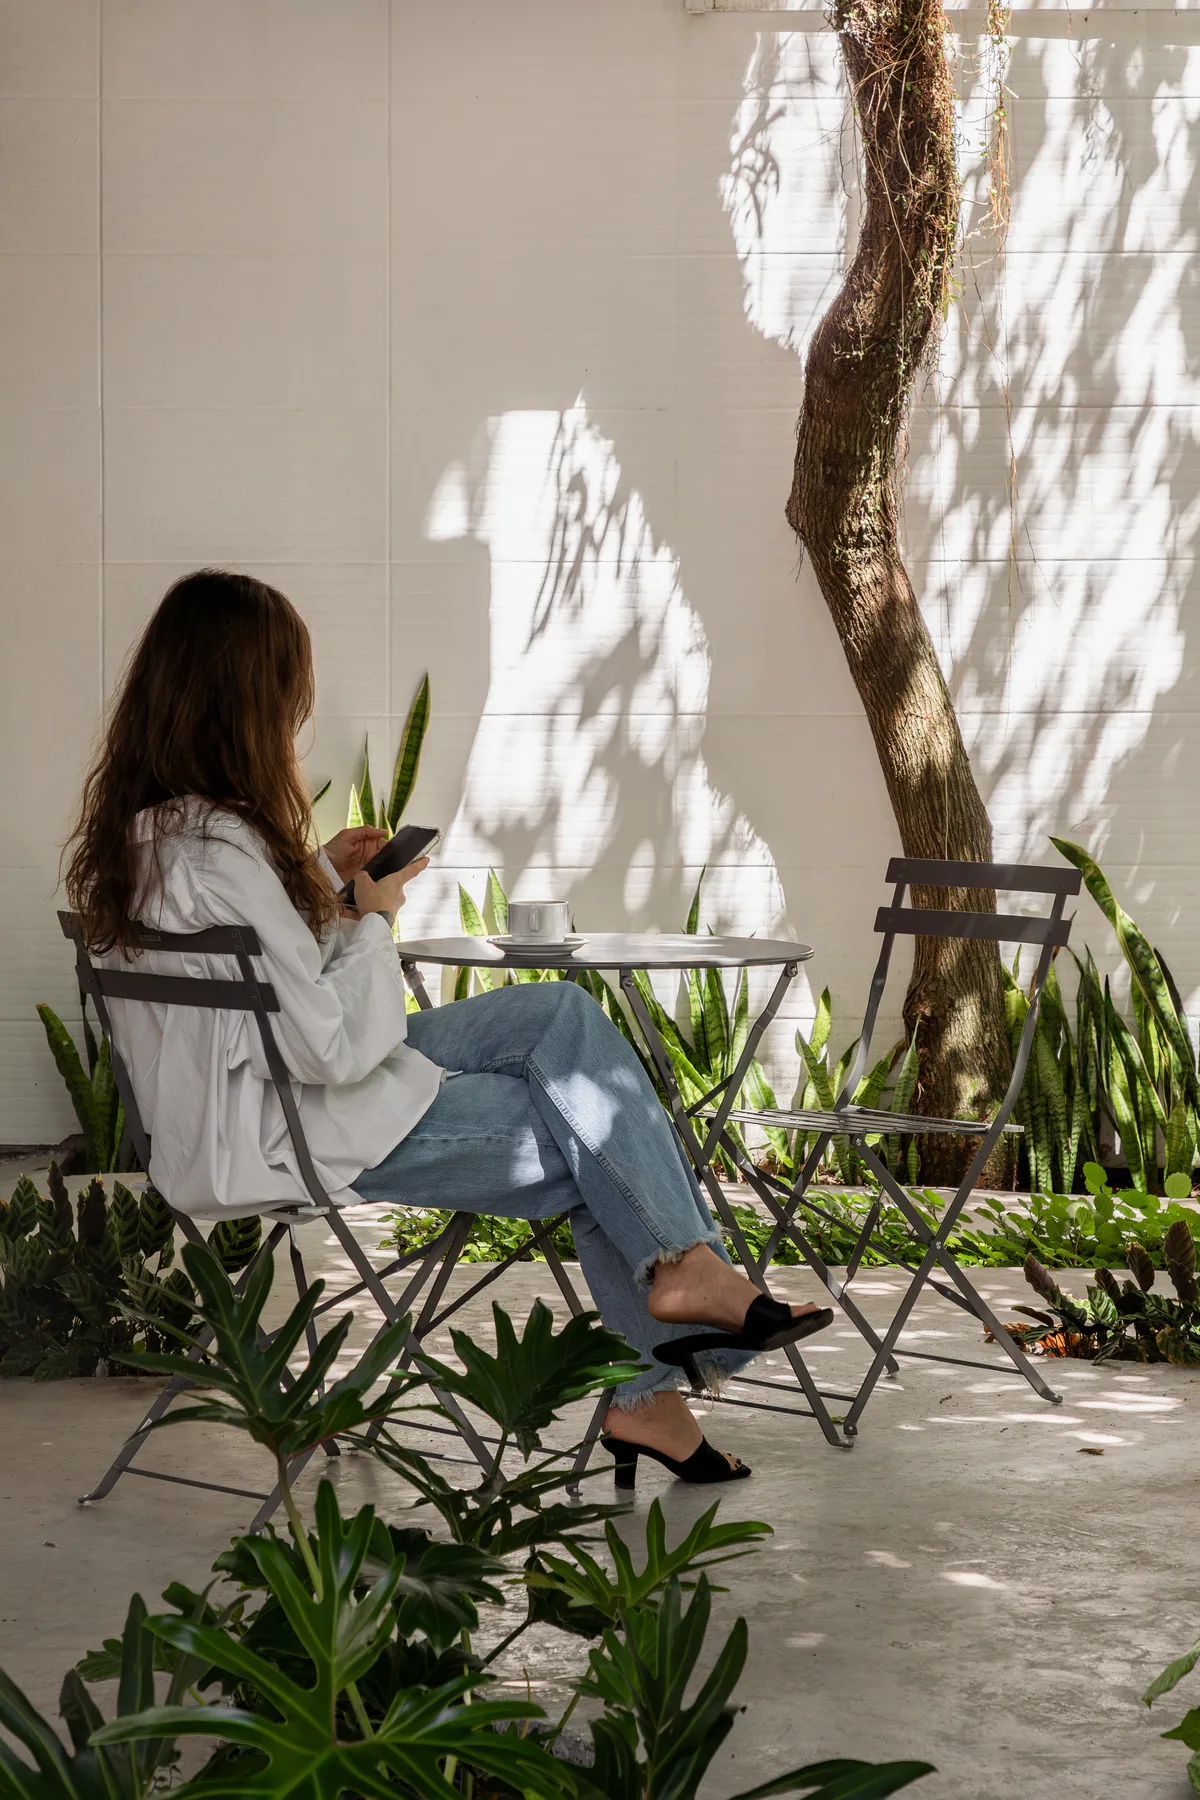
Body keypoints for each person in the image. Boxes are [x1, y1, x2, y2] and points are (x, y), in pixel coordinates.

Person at [64, 570, 830, 1486]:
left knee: (558, 1014)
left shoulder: (153, 840)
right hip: (296, 1126)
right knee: (598, 1147)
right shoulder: (223, 856)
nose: (292, 726)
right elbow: (330, 1045)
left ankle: (673, 1316)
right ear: (244, 706)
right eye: (286, 701)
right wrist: (373, 918)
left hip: (253, 1102)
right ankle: (666, 1339)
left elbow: (263, 985)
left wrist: (320, 882)